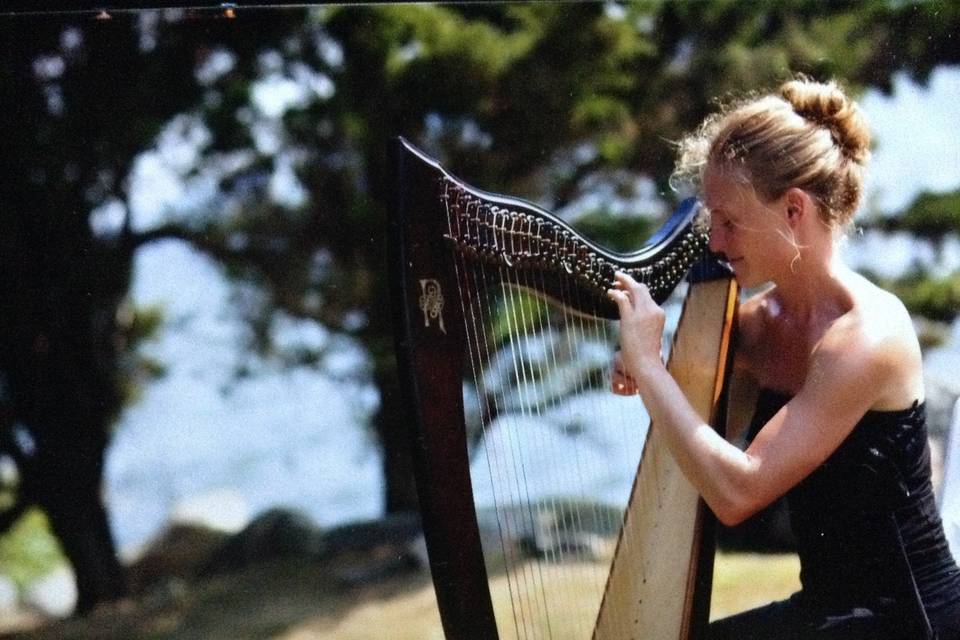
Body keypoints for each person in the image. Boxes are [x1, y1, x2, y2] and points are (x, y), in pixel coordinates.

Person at [606, 77, 960, 639]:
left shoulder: (868, 336)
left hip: (908, 619)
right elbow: (700, 430)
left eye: (729, 221)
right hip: (824, 609)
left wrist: (652, 371)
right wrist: (642, 370)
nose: (715, 242)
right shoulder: (752, 326)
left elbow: (738, 492)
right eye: (710, 222)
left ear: (794, 209)